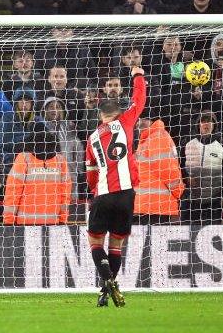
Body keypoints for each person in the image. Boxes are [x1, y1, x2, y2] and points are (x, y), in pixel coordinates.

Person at [86, 65, 145, 308]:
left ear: (101, 116)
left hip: (103, 194)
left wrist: (93, 192)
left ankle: (108, 281)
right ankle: (106, 290)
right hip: (127, 194)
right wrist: (137, 75)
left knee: (95, 242)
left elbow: (90, 173)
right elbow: (139, 98)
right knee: (116, 245)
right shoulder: (127, 121)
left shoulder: (91, 139)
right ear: (118, 113)